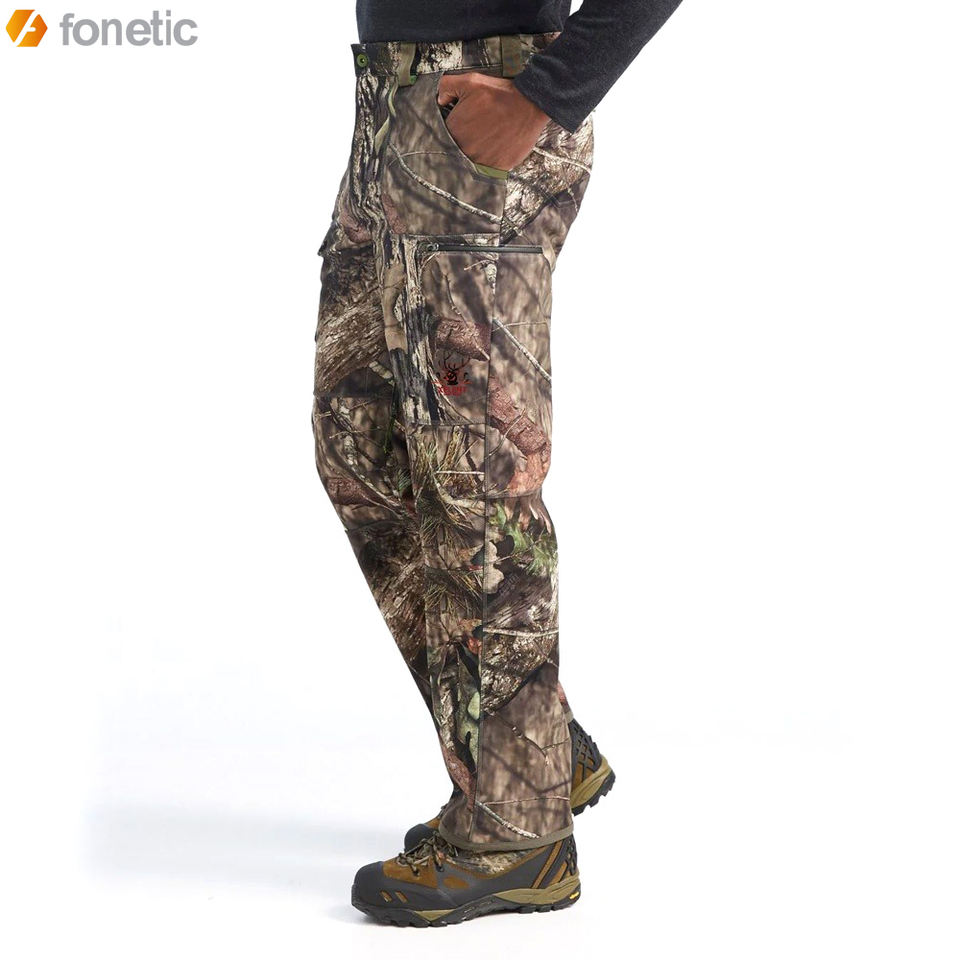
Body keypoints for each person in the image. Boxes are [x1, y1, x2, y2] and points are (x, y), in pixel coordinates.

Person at [312, 0, 683, 926]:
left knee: (477, 480)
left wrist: (546, 95)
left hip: (483, 97)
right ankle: (528, 737)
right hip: (390, 107)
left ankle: (519, 833)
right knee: (357, 441)